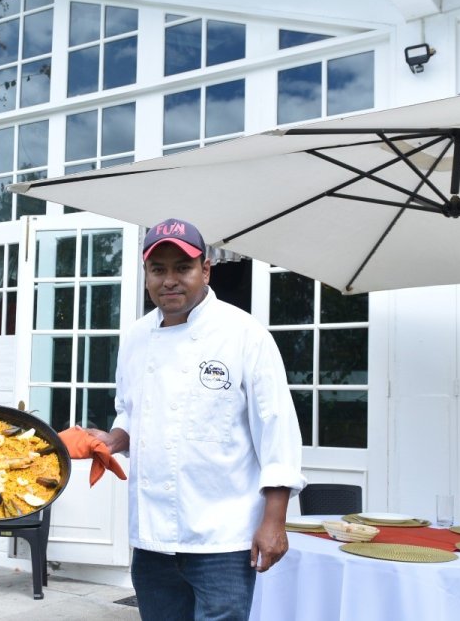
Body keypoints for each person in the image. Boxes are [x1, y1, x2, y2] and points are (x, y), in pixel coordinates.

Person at [86, 218, 306, 621]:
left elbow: (278, 433)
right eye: (158, 269)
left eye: (182, 268)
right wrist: (112, 440)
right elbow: (132, 413)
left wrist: (274, 522)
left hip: (223, 536)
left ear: (205, 270)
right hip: (152, 539)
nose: (169, 280)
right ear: (146, 274)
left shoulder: (244, 334)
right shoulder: (135, 337)